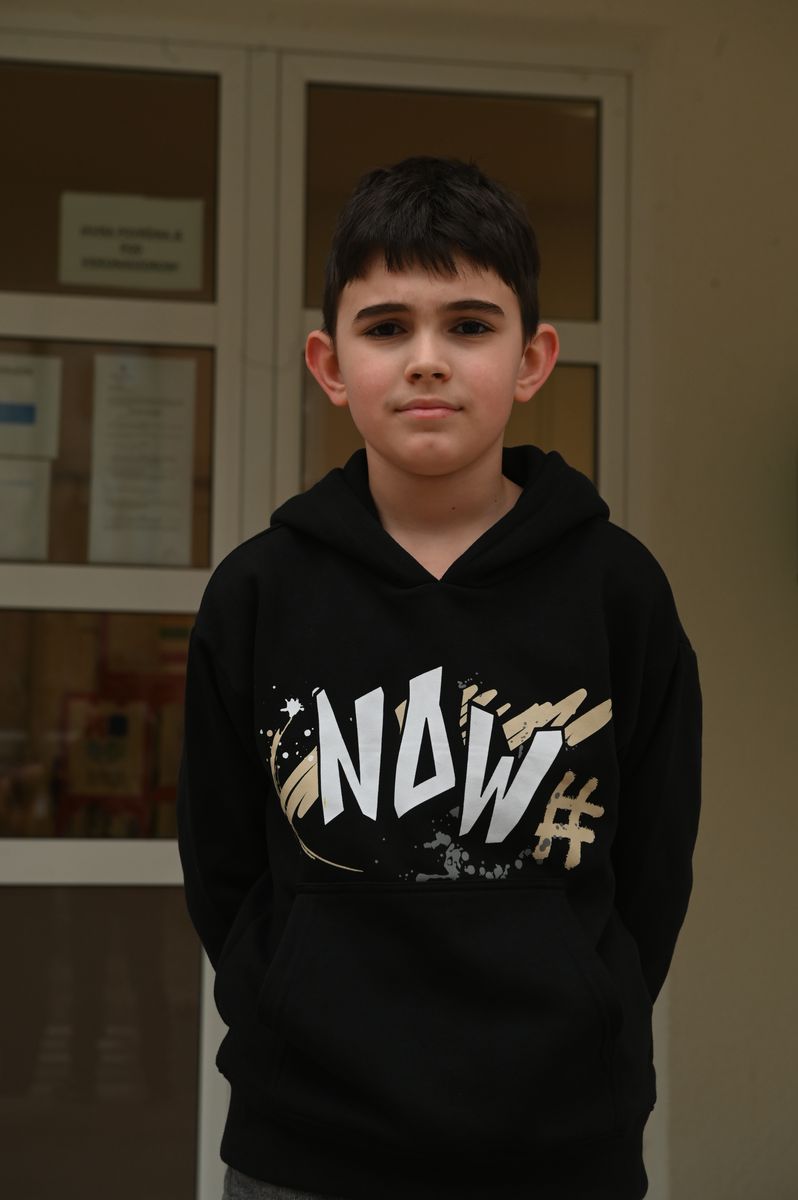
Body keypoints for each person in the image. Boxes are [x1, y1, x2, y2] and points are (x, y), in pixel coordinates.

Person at [178, 156, 701, 1200]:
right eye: (386, 327)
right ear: (330, 363)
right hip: (305, 1148)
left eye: (468, 325)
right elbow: (222, 858)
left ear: (532, 358)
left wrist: (590, 1009)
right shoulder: (258, 592)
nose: (427, 361)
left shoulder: (618, 589)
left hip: (560, 1144)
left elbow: (653, 861)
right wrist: (284, 1002)